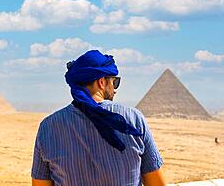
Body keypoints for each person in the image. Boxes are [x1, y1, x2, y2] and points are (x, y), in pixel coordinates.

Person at [31, 50, 166, 186]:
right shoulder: (133, 121)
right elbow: (157, 183)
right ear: (101, 82)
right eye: (115, 82)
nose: (115, 89)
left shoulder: (48, 127)